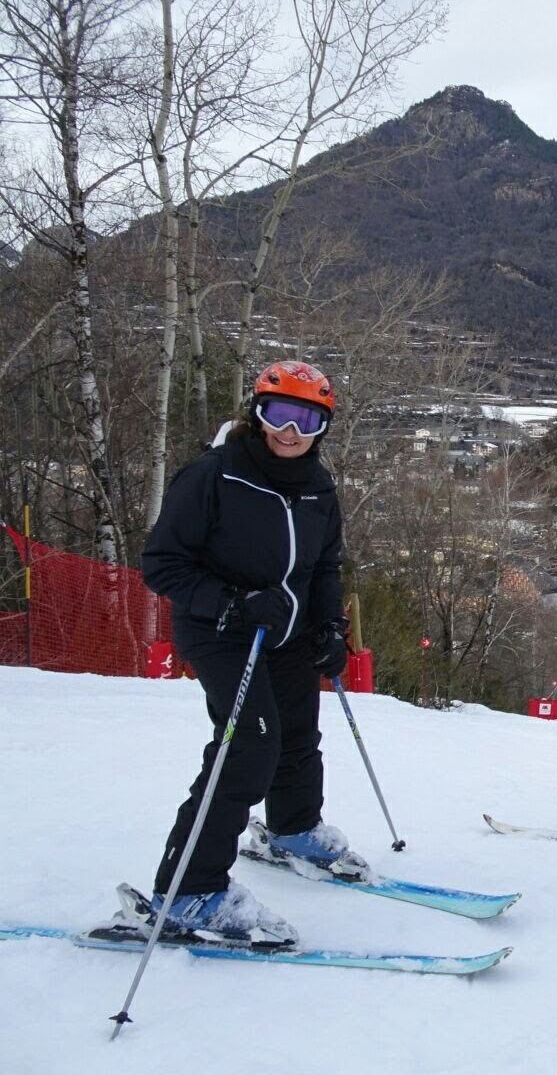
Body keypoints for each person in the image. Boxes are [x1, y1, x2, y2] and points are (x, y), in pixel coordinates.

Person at [140, 360, 362, 942]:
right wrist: (233, 603)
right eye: (277, 414)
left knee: (296, 732)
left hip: (285, 632)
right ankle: (188, 891)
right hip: (221, 630)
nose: (290, 431)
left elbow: (324, 567)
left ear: (323, 426)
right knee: (249, 745)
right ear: (256, 414)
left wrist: (328, 628)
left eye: (307, 419)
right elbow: (162, 565)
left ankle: (293, 829)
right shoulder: (215, 476)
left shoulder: (319, 487)